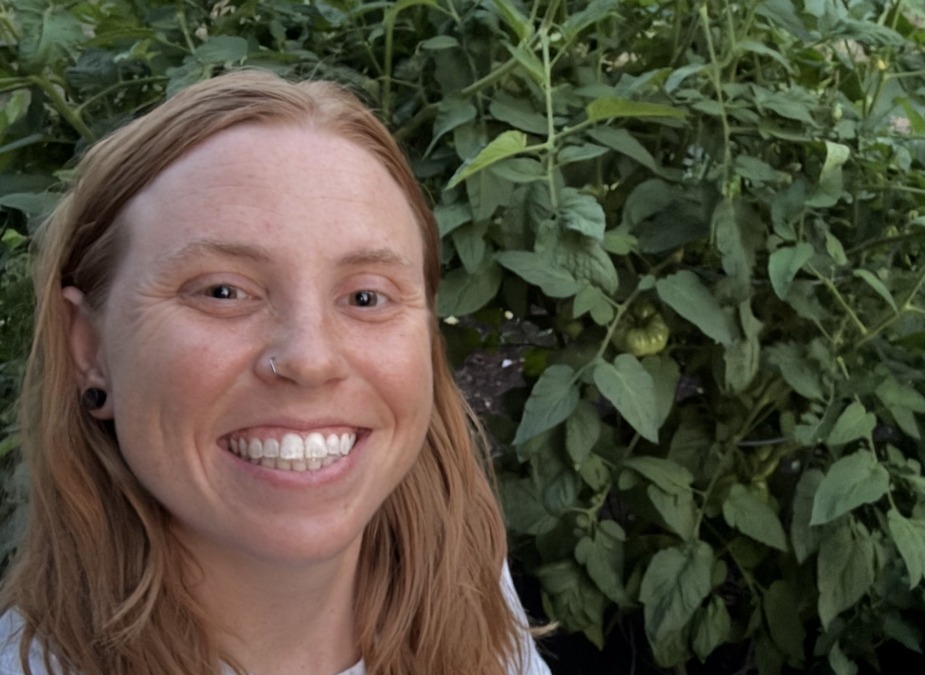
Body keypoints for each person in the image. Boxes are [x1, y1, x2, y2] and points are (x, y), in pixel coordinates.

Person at [0, 70, 552, 675]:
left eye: (366, 298)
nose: (311, 360)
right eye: (222, 291)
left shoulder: (467, 582)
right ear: (88, 346)